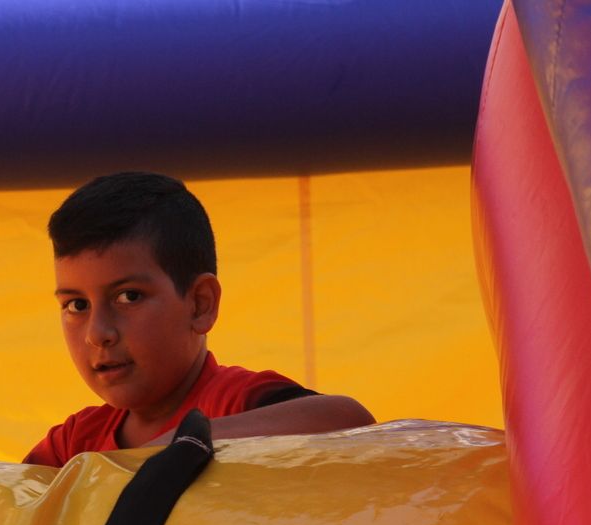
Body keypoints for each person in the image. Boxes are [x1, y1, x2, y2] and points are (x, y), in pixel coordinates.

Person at [24, 172, 374, 467]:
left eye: (129, 296)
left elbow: (349, 422)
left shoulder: (234, 403)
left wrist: (177, 447)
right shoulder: (73, 444)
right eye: (76, 305)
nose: (98, 333)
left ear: (200, 305)